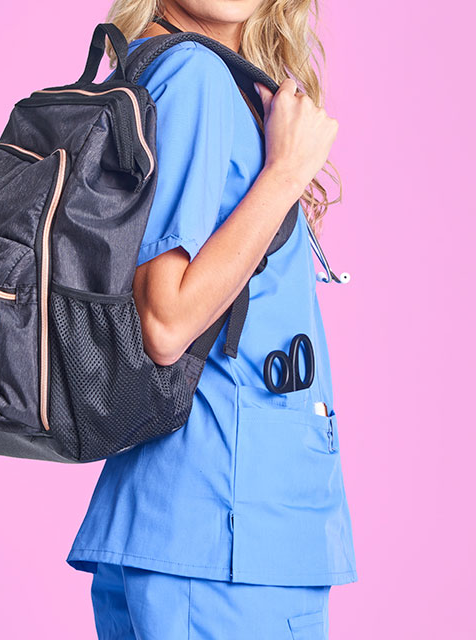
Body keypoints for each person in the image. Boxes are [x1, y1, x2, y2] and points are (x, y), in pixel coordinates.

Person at [66, 1, 357, 637]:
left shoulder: (182, 72)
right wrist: (284, 175)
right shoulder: (193, 76)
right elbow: (164, 321)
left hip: (203, 526)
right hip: (227, 531)